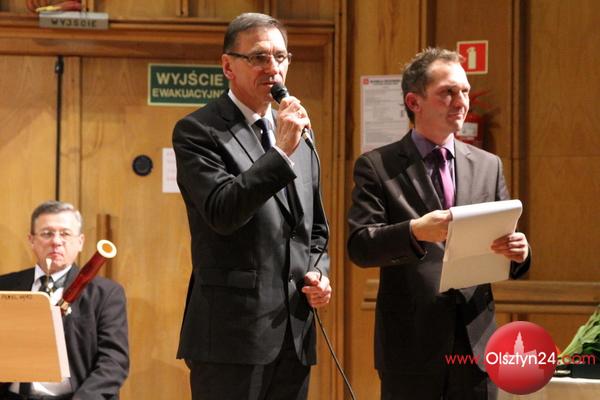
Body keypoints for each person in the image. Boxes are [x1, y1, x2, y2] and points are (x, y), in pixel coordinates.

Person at [347, 48, 531, 400]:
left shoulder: (488, 165)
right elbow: (361, 245)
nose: (461, 102)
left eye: (464, 91)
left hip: (475, 343)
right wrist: (414, 231)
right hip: (411, 346)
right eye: (447, 92)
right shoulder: (377, 166)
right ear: (413, 101)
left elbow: (506, 244)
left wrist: (520, 252)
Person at [172, 12, 331, 400]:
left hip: (294, 332)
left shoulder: (297, 134)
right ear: (228, 66)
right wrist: (282, 152)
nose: (273, 68)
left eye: (281, 57)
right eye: (259, 57)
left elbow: (314, 231)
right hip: (231, 337)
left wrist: (319, 273)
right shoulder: (198, 131)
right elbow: (223, 212)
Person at [0, 200, 129, 400]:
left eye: (65, 234)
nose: (56, 241)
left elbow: (114, 361)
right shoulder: (4, 286)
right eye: (47, 233)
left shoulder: (106, 293)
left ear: (80, 242)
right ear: (31, 240)